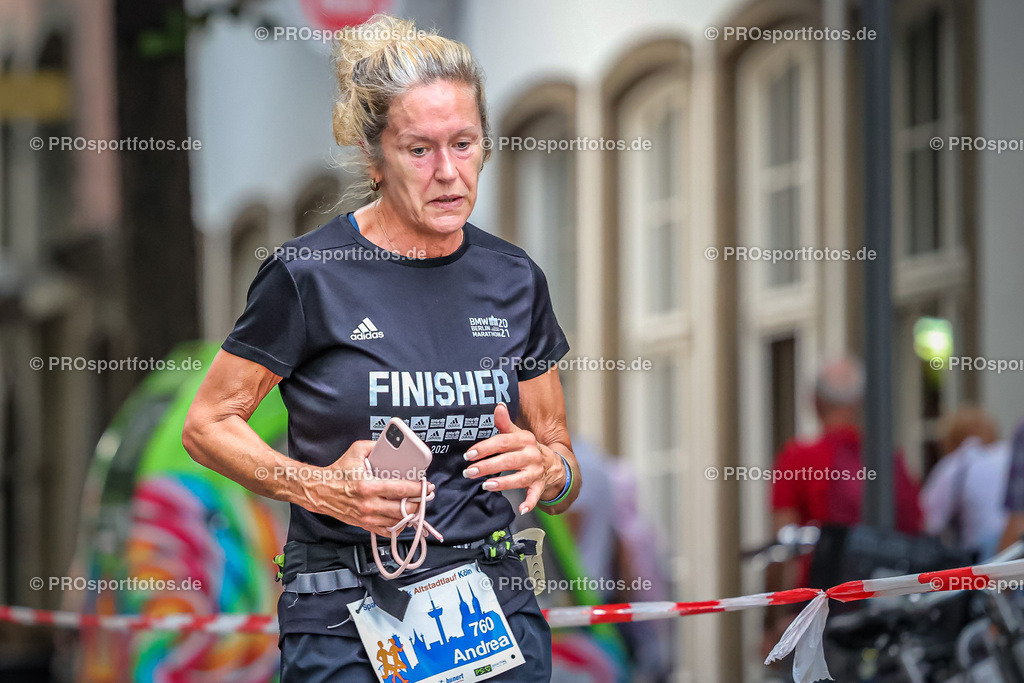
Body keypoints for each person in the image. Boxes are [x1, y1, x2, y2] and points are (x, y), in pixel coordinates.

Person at [182, 14, 580, 682]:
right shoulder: (308, 275)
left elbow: (560, 457)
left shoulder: (514, 280)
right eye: (419, 150)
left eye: (464, 143)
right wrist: (320, 486)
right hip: (345, 614)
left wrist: (551, 470)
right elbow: (207, 424)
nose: (448, 173)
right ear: (374, 158)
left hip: (488, 607)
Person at [764, 356, 923, 653]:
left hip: (818, 610)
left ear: (815, 402)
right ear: (859, 403)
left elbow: (783, 547)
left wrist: (772, 619)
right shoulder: (888, 459)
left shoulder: (798, 458)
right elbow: (916, 525)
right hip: (885, 609)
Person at [920, 407, 1009, 559]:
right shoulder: (1007, 453)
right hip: (1017, 539)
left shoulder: (956, 464)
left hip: (985, 549)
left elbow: (929, 521)